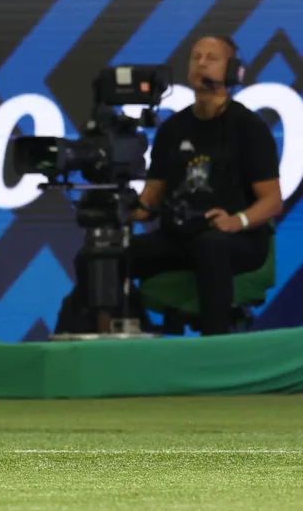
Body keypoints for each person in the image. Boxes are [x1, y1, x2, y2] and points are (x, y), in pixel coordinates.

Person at [57, 35, 283, 336]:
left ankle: (214, 345)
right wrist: (127, 210)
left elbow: (272, 201)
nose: (201, 62)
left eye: (211, 57)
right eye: (196, 56)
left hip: (236, 238)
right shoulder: (172, 129)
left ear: (233, 71)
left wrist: (236, 221)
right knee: (98, 256)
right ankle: (109, 339)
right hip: (179, 236)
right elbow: (152, 197)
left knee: (210, 245)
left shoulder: (249, 128)